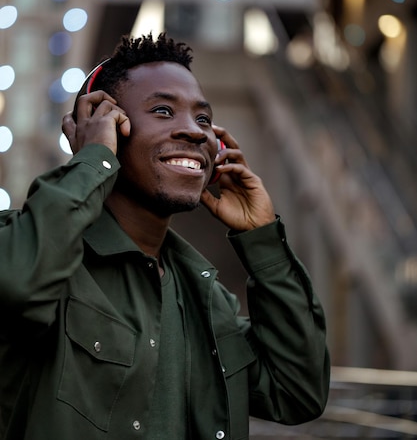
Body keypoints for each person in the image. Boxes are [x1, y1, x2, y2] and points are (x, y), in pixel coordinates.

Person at [0, 32, 330, 440]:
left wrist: (262, 239)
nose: (194, 132)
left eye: (204, 119)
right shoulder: (23, 247)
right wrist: (92, 161)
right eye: (162, 110)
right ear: (108, 126)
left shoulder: (207, 300)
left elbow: (297, 392)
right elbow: (16, 287)